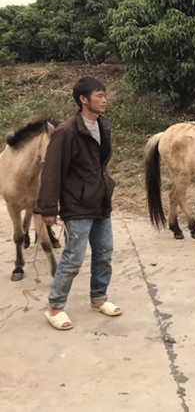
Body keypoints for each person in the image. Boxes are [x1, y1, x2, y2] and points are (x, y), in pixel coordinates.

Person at [37, 77, 120, 331]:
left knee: (105, 252)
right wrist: (48, 208)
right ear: (83, 99)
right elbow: (52, 171)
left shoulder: (103, 126)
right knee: (73, 257)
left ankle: (98, 298)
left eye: (105, 94)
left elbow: (98, 164)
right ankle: (55, 307)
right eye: (99, 95)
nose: (104, 99)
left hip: (100, 202)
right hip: (77, 204)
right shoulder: (67, 131)